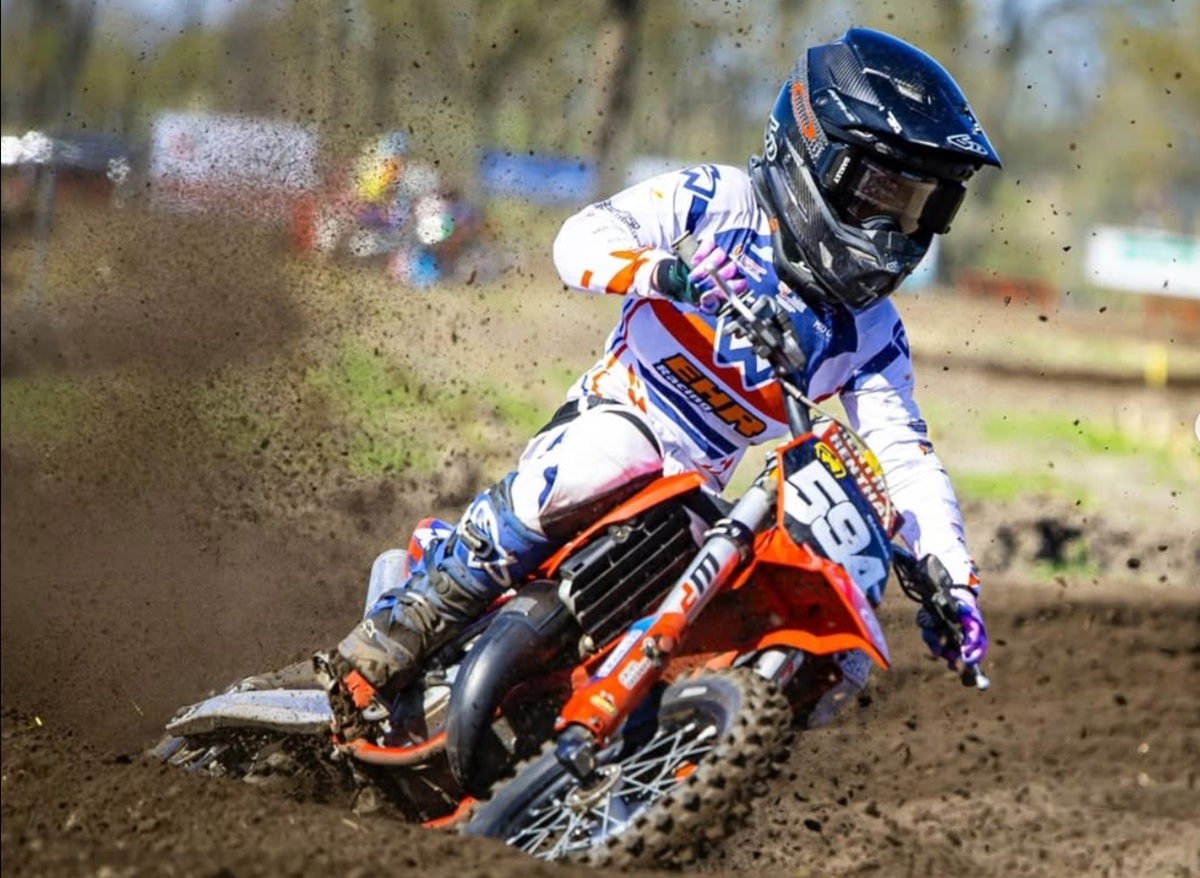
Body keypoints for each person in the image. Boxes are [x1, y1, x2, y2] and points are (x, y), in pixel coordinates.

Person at [332, 27, 1000, 718]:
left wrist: (954, 583)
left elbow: (905, 459)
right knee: (607, 456)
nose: (894, 231)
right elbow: (579, 241)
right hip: (621, 415)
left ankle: (658, 750)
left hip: (702, 495)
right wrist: (664, 274)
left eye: (922, 207)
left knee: (840, 652)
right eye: (882, 194)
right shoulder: (721, 201)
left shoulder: (872, 332)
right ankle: (406, 624)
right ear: (814, 149)